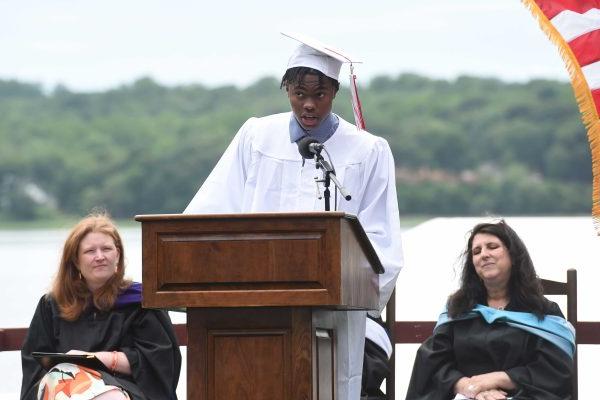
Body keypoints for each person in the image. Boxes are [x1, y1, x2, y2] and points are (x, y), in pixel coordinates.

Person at [184, 33, 404, 399]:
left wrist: (347, 284)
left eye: (319, 95)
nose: (308, 106)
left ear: (334, 93)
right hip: (258, 305)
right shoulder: (256, 136)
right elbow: (214, 210)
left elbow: (381, 241)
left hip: (333, 313)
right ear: (286, 88)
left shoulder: (367, 150)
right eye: (299, 94)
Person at [405, 220, 575, 400]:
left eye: (492, 247)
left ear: (513, 254)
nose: (484, 255)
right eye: (476, 251)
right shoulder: (459, 309)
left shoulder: (543, 312)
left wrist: (498, 379)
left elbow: (554, 371)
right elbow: (431, 363)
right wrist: (469, 387)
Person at [20, 213, 181, 400]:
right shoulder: (52, 306)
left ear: (118, 255)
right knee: (63, 378)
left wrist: (94, 358)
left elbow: (159, 362)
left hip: (126, 390)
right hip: (65, 390)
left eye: (106, 249)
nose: (100, 257)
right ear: (75, 260)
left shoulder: (140, 302)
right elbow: (35, 367)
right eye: (90, 251)